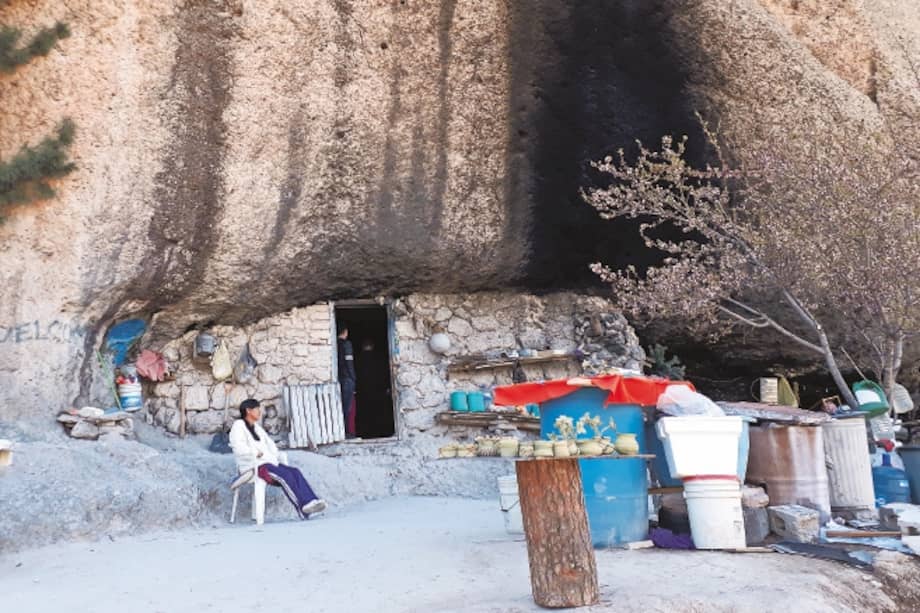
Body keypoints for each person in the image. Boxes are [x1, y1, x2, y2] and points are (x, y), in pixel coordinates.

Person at [229, 399, 327, 519]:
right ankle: (304, 507)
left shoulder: (257, 428)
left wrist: (273, 456)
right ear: (248, 411)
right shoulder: (238, 426)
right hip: (253, 465)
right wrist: (255, 452)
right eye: (257, 409)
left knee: (294, 471)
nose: (260, 412)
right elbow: (238, 447)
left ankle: (311, 501)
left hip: (267, 463)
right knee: (285, 475)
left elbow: (271, 446)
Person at [337, 324, 357, 438]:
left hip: (338, 378)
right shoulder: (346, 344)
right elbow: (349, 363)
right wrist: (353, 378)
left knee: (340, 406)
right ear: (345, 332)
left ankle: (341, 431)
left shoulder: (334, 344)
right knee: (348, 407)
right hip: (347, 379)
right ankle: (348, 432)